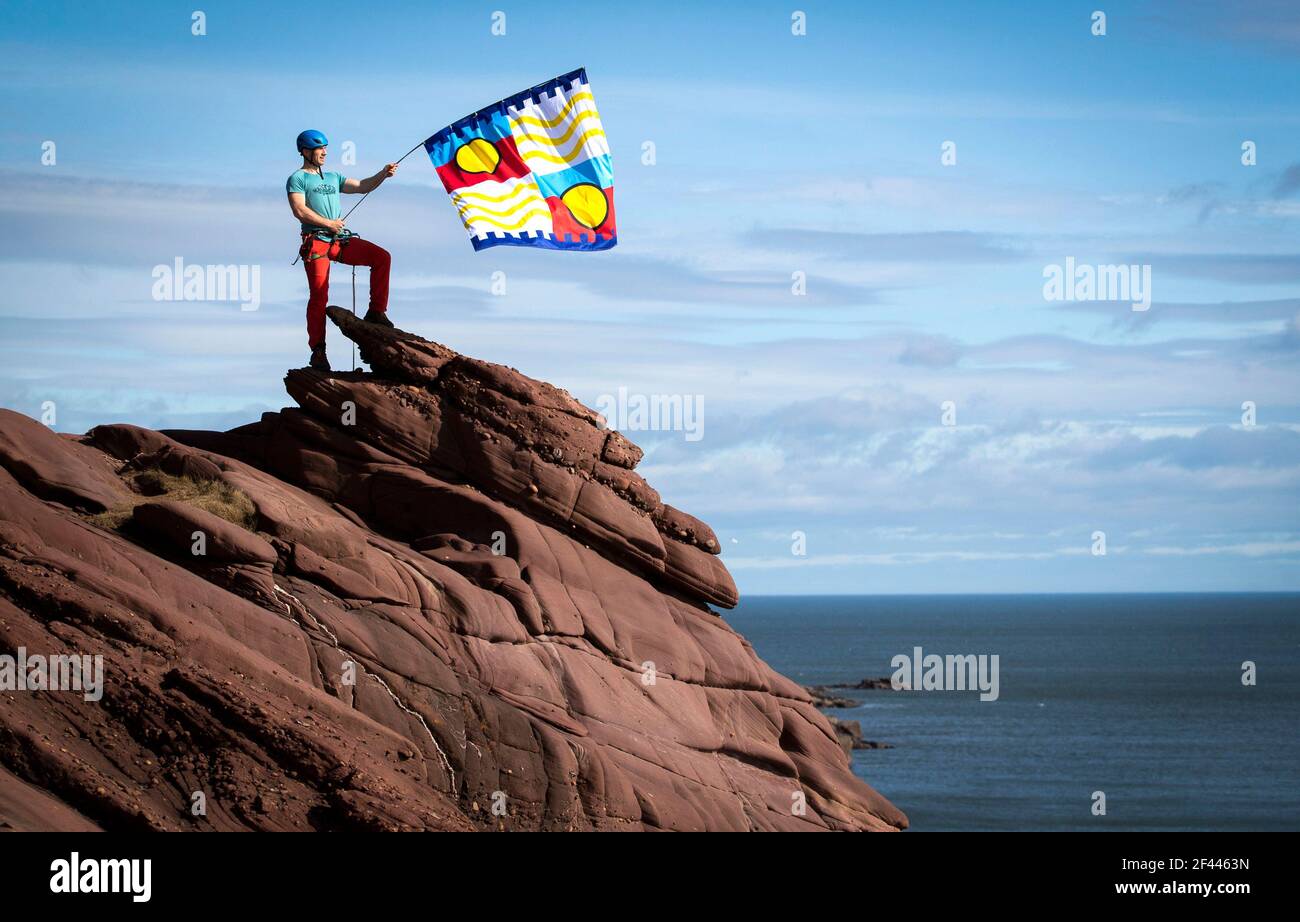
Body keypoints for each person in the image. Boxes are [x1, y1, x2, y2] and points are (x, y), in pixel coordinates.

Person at [286, 129, 398, 371]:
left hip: (338, 240)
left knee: (381, 258)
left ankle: (376, 312)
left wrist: (383, 174)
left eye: (326, 148)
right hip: (316, 242)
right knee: (319, 295)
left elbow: (361, 186)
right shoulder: (298, 179)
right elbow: (299, 210)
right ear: (306, 152)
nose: (325, 152)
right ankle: (318, 351)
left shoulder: (333, 177)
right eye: (320, 149)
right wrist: (328, 223)